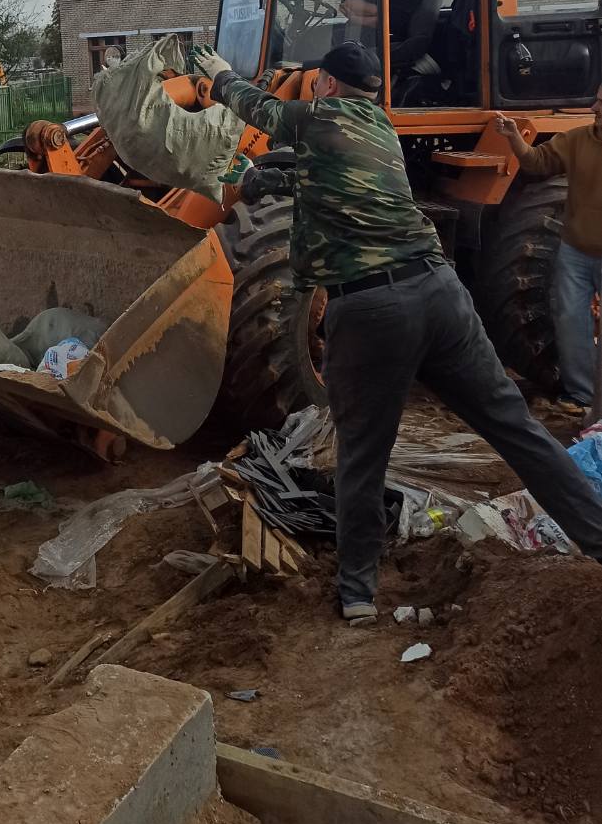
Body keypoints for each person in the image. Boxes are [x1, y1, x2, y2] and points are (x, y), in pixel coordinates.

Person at [197, 40, 602, 624]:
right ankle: (597, 534)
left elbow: (260, 110)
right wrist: (276, 183)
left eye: (320, 84)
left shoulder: (319, 114)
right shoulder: (381, 129)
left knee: (363, 454)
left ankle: (358, 592)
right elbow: (342, 186)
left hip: (371, 310)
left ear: (327, 85)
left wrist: (219, 77)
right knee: (516, 429)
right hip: (441, 295)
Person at [496, 93, 602, 417]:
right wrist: (514, 137)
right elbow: (537, 161)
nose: (594, 107)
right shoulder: (577, 139)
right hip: (575, 249)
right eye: (596, 100)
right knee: (570, 320)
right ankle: (582, 394)